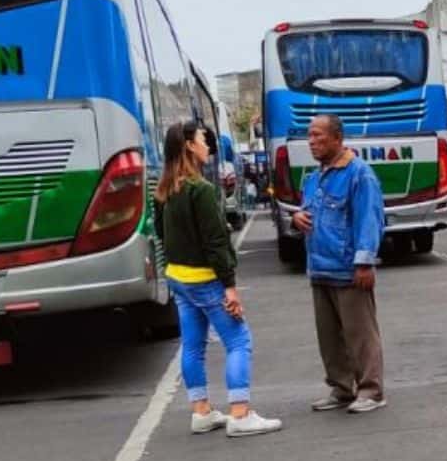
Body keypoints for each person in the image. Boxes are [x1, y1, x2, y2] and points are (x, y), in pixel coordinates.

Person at [155, 120, 281, 437]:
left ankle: (201, 411)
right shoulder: (201, 190)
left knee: (193, 345)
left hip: (178, 278)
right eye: (203, 139)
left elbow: (161, 233)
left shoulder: (165, 188)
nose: (208, 145)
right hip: (205, 280)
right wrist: (230, 287)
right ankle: (240, 413)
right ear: (188, 146)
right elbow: (215, 243)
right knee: (239, 340)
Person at [293, 115, 389, 415]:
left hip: (348, 268)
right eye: (309, 135)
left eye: (318, 136)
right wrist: (297, 219)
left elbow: (369, 221)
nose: (311, 141)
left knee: (360, 334)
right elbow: (307, 213)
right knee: (329, 337)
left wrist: (364, 263)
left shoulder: (360, 174)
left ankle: (371, 390)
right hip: (320, 267)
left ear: (337, 138)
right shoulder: (314, 177)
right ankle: (342, 387)